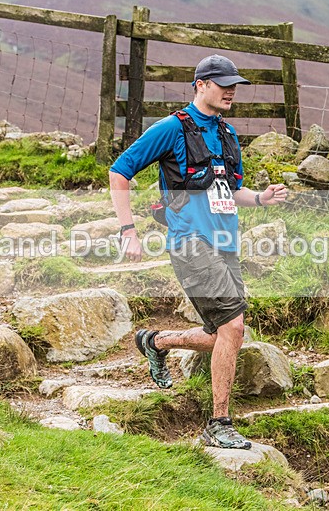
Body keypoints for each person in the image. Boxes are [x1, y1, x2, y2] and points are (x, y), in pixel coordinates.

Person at [109, 54, 288, 449]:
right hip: (190, 242)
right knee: (233, 328)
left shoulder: (227, 134)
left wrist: (260, 198)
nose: (231, 90)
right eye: (222, 83)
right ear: (200, 85)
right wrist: (128, 230)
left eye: (234, 84)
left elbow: (230, 190)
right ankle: (218, 423)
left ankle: (156, 342)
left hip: (226, 243)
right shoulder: (171, 129)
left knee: (224, 334)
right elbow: (120, 170)